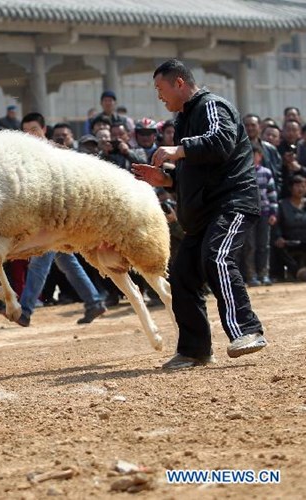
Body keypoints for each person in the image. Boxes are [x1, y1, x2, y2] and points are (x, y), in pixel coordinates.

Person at [131, 59, 266, 369]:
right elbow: (195, 172)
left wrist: (179, 150)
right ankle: (195, 351)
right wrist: (165, 179)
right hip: (204, 212)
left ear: (179, 83)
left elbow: (220, 143)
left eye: (160, 88)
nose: (159, 96)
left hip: (231, 202)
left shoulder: (211, 106)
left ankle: (247, 330)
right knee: (183, 276)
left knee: (216, 256)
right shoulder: (184, 120)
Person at [17, 112, 107, 327]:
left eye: (34, 130)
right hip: (42, 216)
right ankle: (94, 301)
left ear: (43, 130)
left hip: (58, 217)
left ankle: (25, 310)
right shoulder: (23, 156)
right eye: (26, 131)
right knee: (66, 261)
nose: (30, 135)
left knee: (40, 261)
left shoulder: (57, 151)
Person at [243, 144, 278, 287]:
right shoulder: (242, 173)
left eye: (255, 154)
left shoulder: (266, 172)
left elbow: (272, 194)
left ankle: (264, 274)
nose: (252, 157)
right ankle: (251, 276)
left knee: (264, 245)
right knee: (249, 246)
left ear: (260, 156)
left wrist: (273, 212)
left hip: (264, 213)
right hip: (248, 214)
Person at [272, 175, 306, 278]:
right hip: (288, 240)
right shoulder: (282, 205)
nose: (300, 189)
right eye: (297, 186)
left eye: (303, 186)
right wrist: (278, 237)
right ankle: (297, 272)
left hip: (304, 240)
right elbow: (276, 224)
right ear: (290, 188)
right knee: (277, 246)